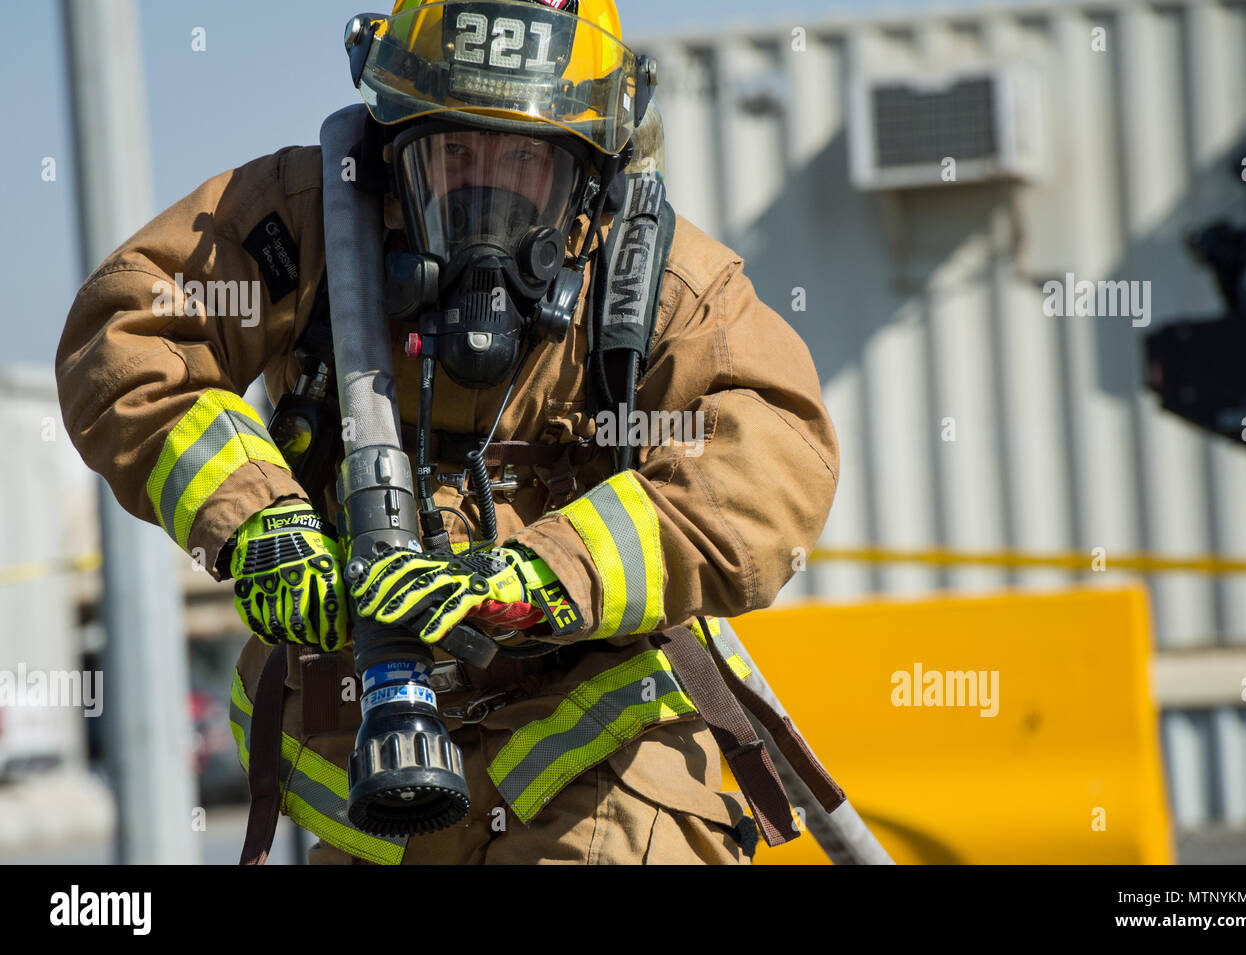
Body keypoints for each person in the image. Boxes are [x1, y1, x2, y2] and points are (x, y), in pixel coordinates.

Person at [55, 0, 840, 865]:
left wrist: (546, 573)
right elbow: (128, 336)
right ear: (394, 148)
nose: (483, 194)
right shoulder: (312, 221)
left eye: (523, 161)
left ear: (589, 173)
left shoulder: (655, 280)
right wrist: (258, 526)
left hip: (596, 753)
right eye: (454, 152)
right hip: (375, 775)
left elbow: (771, 458)